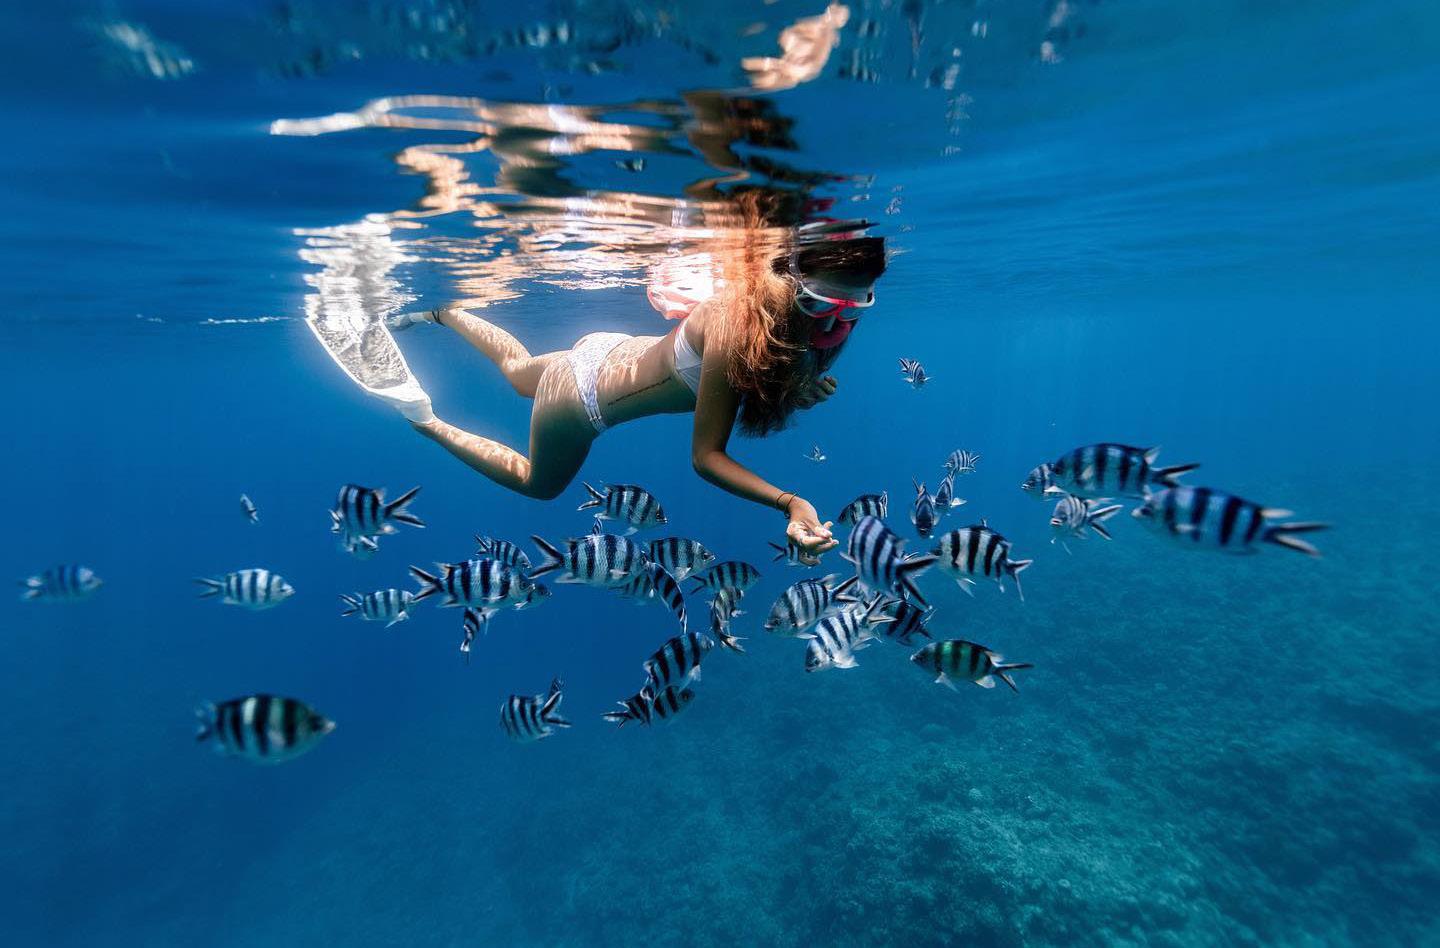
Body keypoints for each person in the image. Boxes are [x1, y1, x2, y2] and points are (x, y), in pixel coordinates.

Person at [381, 225, 885, 556]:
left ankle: (444, 312)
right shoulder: (736, 324)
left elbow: (743, 374)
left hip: (607, 352)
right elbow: (706, 458)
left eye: (852, 309)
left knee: (517, 372)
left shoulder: (770, 314)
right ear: (787, 280)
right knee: (539, 484)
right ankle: (424, 419)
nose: (832, 323)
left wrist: (793, 388)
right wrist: (790, 502)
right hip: (581, 398)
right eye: (819, 304)